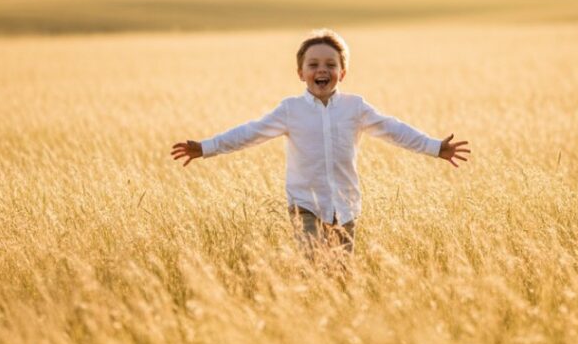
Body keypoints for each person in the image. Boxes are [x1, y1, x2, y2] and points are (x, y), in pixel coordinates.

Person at [171, 29, 470, 258]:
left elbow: (393, 129)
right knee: (312, 263)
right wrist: (206, 147)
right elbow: (250, 132)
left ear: (343, 72)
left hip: (345, 205)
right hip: (305, 206)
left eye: (330, 64)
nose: (322, 70)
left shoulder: (356, 108)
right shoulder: (290, 110)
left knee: (339, 272)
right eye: (313, 64)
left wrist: (434, 147)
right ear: (301, 73)